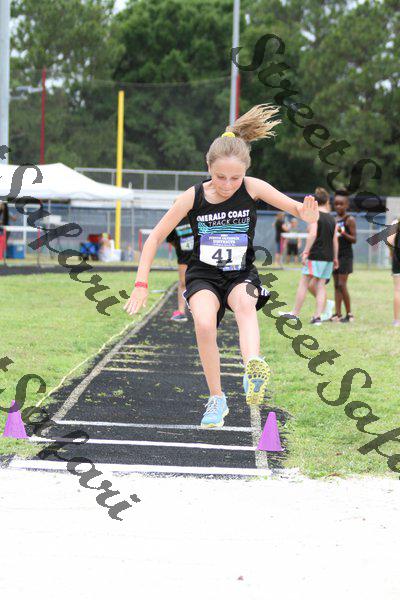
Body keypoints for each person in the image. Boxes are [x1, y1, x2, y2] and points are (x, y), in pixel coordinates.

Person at [124, 104, 319, 428]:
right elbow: (154, 238)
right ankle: (217, 398)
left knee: (245, 304)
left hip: (240, 273)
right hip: (204, 275)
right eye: (220, 177)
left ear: (245, 172)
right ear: (208, 168)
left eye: (235, 178)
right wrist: (140, 284)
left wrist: (308, 214)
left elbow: (298, 209)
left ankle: (253, 367)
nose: (228, 184)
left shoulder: (253, 187)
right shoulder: (193, 196)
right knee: (203, 324)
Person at [289, 187, 338, 325]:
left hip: (316, 255)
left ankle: (295, 314)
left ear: (315, 201)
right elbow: (335, 240)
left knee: (304, 282)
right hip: (328, 257)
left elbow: (313, 234)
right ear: (327, 201)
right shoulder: (332, 218)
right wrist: (335, 258)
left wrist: (306, 251)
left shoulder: (315, 215)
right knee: (321, 286)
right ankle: (317, 317)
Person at [329, 189, 357, 323]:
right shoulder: (333, 219)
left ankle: (349, 314)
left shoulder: (349, 219)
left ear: (347, 205)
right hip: (335, 255)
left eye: (341, 204)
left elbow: (354, 239)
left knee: (342, 284)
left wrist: (343, 232)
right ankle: (338, 314)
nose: (338, 206)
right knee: (336, 285)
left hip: (346, 256)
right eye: (336, 204)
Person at [166, 216, 194, 322]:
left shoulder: (197, 214)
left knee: (203, 282)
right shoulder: (175, 220)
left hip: (200, 257)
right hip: (184, 258)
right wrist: (180, 249)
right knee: (183, 283)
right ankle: (181, 312)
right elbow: (170, 240)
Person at [387, 217, 400, 327]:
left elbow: (389, 241)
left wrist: (392, 252)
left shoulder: (396, 222)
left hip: (398, 260)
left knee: (397, 290)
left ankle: (396, 321)